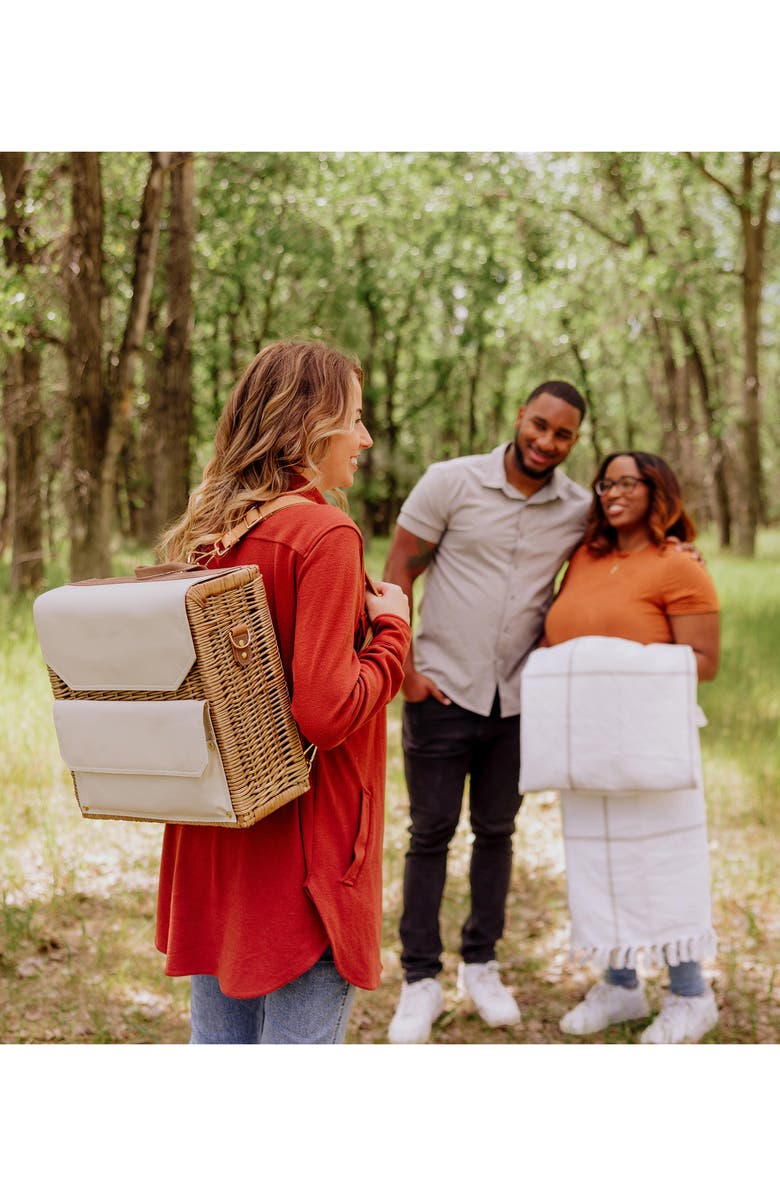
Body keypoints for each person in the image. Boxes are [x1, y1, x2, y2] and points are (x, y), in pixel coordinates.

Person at [154, 340, 410, 1044]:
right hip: (305, 856)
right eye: (353, 418)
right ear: (310, 423)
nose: (363, 438)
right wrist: (393, 635)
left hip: (217, 840)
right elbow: (325, 714)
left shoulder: (209, 533)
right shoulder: (323, 532)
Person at [384, 381, 590, 1044]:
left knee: (498, 832)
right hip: (442, 691)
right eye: (539, 425)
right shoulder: (450, 482)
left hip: (519, 701)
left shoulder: (577, 508)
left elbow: (630, 545)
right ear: (517, 416)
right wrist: (404, 670)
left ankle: (481, 963)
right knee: (430, 833)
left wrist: (683, 551)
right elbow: (397, 571)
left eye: (561, 434)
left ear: (574, 441)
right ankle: (420, 979)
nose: (545, 442)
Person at [543, 450, 720, 1044]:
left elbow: (705, 662)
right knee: (599, 862)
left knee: (662, 861)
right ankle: (620, 984)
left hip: (653, 741)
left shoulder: (678, 565)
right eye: (606, 482)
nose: (612, 491)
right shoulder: (584, 556)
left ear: (656, 490)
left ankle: (692, 994)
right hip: (586, 744)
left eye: (628, 482)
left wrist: (608, 660)